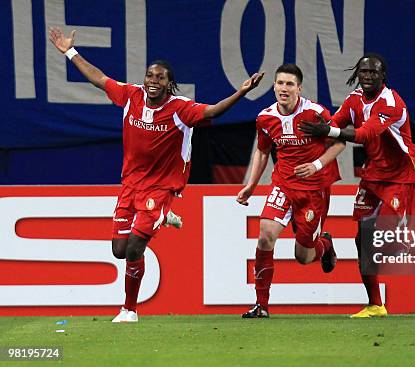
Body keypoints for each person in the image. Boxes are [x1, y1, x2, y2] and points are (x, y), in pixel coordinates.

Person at [49, 27, 263, 322]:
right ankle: (164, 216)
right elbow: (99, 79)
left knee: (137, 244)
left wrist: (242, 91)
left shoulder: (180, 109)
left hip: (162, 186)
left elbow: (213, 112)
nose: (153, 81)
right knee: (119, 250)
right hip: (130, 185)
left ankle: (129, 309)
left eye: (160, 77)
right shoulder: (130, 96)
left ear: (169, 84)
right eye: (150, 75)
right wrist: (70, 52)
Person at [299, 54, 415, 318]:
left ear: (383, 76)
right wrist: (320, 130)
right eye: (363, 71)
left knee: (386, 243)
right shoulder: (354, 98)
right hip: (372, 175)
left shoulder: (390, 103)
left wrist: (327, 132)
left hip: (400, 176)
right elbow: (336, 122)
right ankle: (375, 305)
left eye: (373, 72)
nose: (367, 76)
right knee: (362, 240)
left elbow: (364, 134)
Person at [236, 64, 345, 318]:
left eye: (289, 84)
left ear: (299, 88)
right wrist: (251, 185)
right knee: (265, 236)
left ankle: (324, 244)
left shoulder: (315, 113)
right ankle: (261, 305)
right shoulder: (265, 118)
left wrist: (316, 165)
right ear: (273, 86)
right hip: (283, 185)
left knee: (304, 256)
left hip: (314, 190)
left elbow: (340, 141)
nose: (284, 88)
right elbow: (263, 151)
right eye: (280, 83)